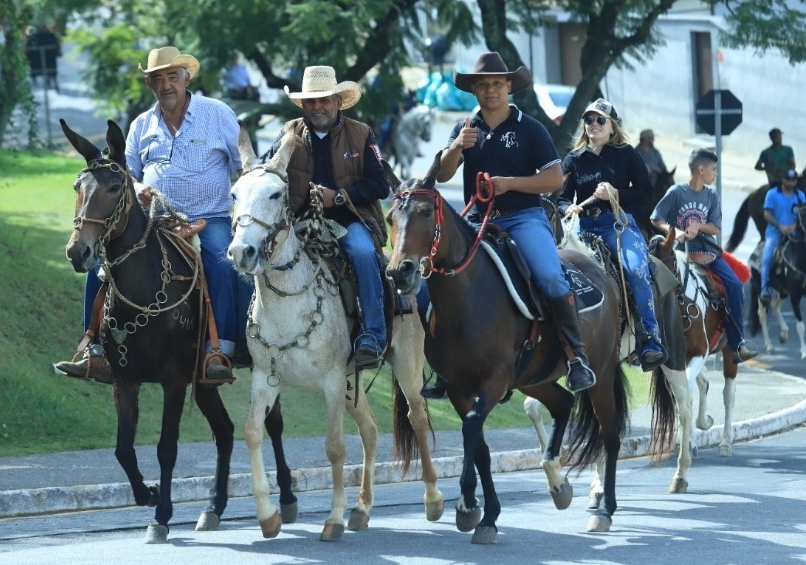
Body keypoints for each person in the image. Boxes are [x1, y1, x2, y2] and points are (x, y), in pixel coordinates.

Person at [56, 46, 253, 382]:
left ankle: (220, 351)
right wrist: (137, 185)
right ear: (150, 85)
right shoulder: (141, 125)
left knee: (221, 263)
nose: (166, 85)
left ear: (186, 78)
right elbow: (124, 172)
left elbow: (244, 170)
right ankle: (96, 351)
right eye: (157, 79)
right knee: (103, 264)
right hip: (154, 221)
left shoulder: (217, 114)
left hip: (210, 217)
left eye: (172, 77)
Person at [420, 52, 595, 399]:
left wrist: (510, 183)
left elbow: (554, 178)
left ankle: (576, 357)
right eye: (483, 85)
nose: (490, 91)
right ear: (474, 90)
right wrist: (456, 147)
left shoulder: (530, 129)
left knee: (548, 275)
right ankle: (443, 365)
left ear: (509, 86)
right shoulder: (465, 127)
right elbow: (442, 174)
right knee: (431, 279)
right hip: (474, 222)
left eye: (497, 84)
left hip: (523, 218)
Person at [264, 65, 389, 369]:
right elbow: (268, 174)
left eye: (324, 100)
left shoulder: (361, 133)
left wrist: (339, 196)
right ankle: (258, 336)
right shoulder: (288, 133)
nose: (317, 107)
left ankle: (373, 333)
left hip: (350, 219)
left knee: (362, 252)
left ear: (337, 102)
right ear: (303, 105)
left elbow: (380, 185)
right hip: (297, 223)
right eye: (311, 101)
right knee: (256, 255)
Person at [558, 99, 666, 372]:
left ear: (612, 126)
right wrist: (566, 206)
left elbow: (645, 192)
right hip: (582, 230)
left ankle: (650, 341)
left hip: (618, 226)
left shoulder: (627, 154)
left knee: (636, 269)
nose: (594, 124)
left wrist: (617, 193)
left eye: (600, 120)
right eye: (589, 120)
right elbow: (558, 197)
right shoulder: (573, 159)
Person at [651, 148, 758, 362]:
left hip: (708, 253)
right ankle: (650, 339)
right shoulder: (676, 192)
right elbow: (656, 218)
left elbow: (716, 227)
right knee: (655, 287)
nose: (716, 174)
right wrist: (675, 231)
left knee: (735, 286)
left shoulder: (711, 195)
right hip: (680, 253)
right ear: (701, 169)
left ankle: (737, 344)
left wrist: (698, 225)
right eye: (714, 169)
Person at [760, 168, 806, 304]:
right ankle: (764, 288)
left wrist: (793, 226)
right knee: (767, 256)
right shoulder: (772, 194)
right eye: (788, 180)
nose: (791, 183)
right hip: (775, 232)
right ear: (783, 180)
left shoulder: (800, 196)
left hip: (794, 232)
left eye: (793, 180)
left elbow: (803, 215)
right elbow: (766, 214)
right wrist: (780, 226)